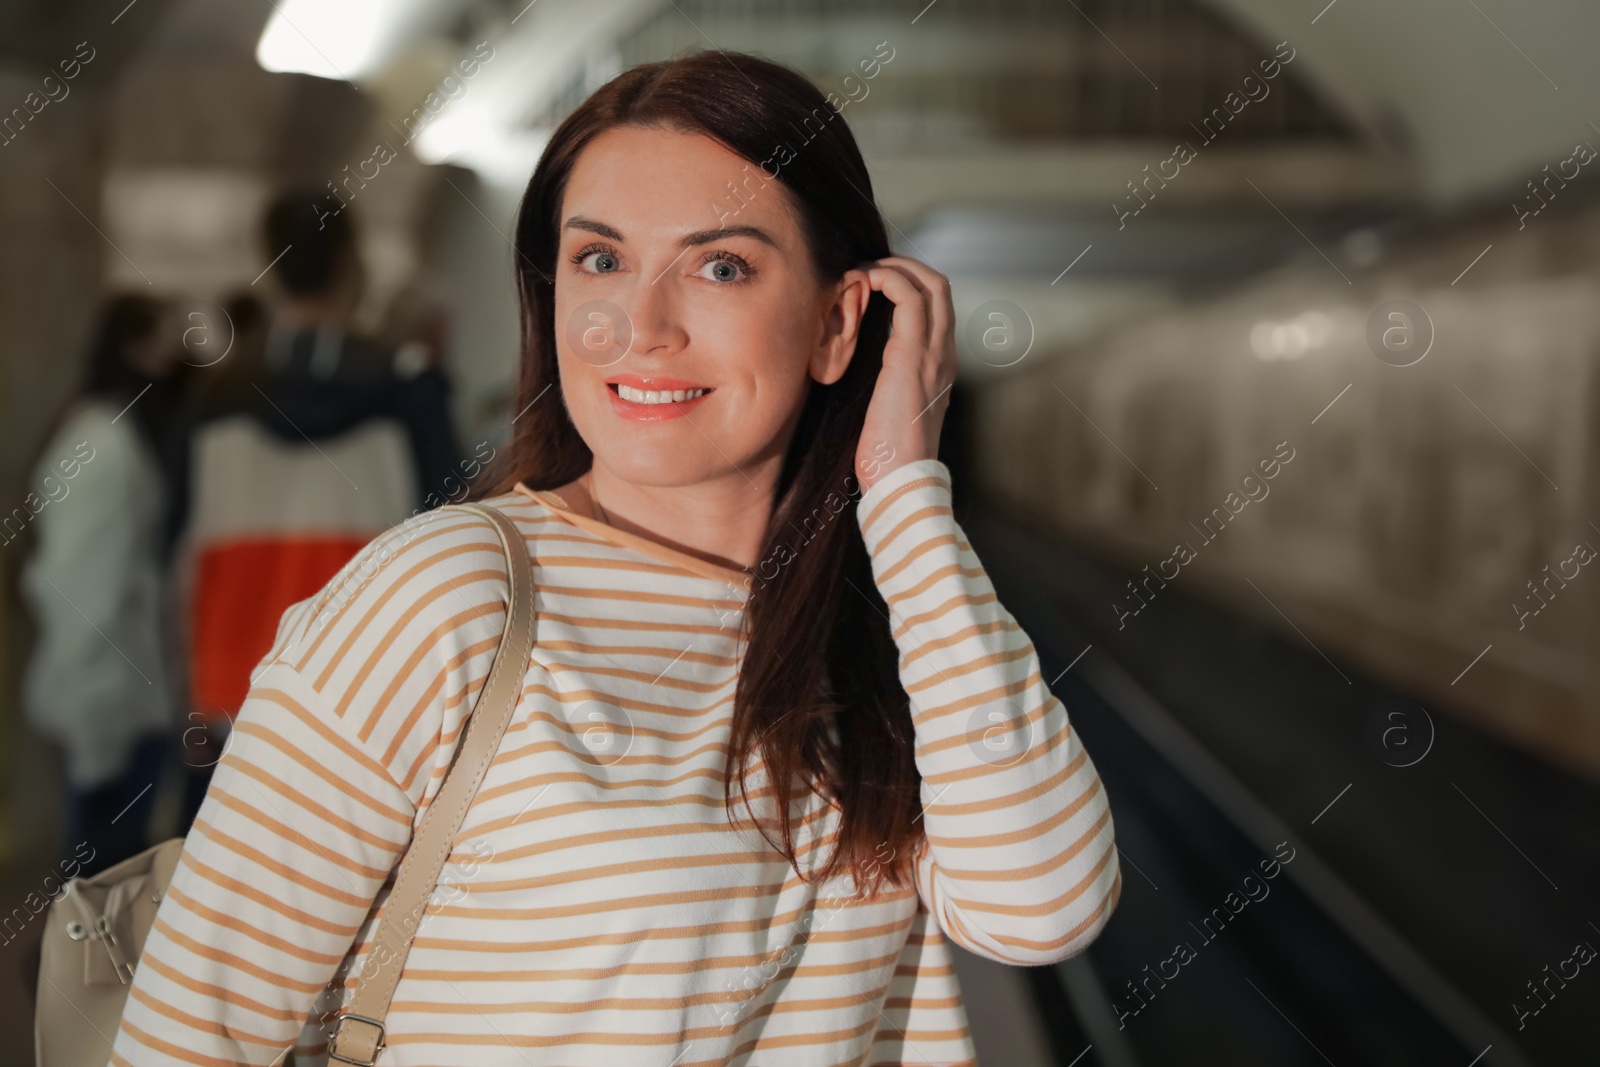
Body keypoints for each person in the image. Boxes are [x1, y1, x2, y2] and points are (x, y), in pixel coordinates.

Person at [109, 51, 1121, 1066]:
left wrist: (905, 495)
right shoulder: (445, 600)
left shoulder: (893, 630)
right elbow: (186, 1040)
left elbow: (1040, 909)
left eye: (720, 266)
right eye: (599, 259)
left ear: (836, 322)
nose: (639, 326)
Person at [164, 199, 462, 824]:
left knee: (221, 896)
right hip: (369, 696)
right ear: (352, 267)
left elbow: (169, 553)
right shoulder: (407, 397)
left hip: (229, 695)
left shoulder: (209, 404)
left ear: (267, 272)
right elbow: (457, 547)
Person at [19, 295, 177, 877]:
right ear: (132, 347)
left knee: (107, 875)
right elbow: (85, 587)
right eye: (164, 340)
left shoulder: (106, 432)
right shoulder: (103, 444)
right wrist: (97, 726)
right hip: (110, 696)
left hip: (119, 691)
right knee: (100, 884)